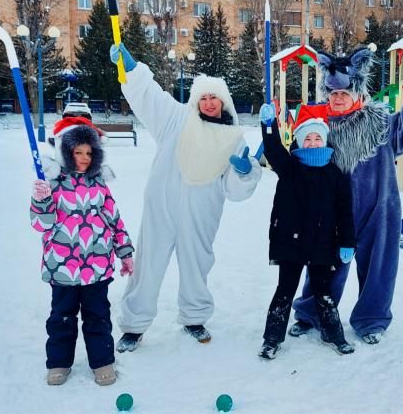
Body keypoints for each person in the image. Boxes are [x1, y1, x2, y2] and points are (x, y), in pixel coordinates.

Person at [290, 48, 403, 344]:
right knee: (324, 265)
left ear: (357, 92)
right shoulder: (318, 127)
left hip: (378, 207)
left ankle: (371, 319)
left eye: (344, 93)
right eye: (333, 93)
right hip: (331, 212)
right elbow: (297, 161)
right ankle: (311, 313)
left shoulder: (379, 123)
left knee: (379, 266)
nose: (338, 98)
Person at [108, 43, 262, 351]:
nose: (208, 103)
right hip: (161, 205)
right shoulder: (177, 119)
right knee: (148, 263)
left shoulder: (234, 139)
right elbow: (150, 97)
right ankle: (134, 325)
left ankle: (194, 317)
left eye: (213, 98)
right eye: (203, 97)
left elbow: (233, 191)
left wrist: (245, 173)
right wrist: (133, 70)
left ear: (224, 102)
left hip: (201, 212)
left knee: (197, 264)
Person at [30, 116, 134, 386]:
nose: (84, 158)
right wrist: (41, 201)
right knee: (62, 318)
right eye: (78, 152)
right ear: (66, 151)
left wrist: (125, 253)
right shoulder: (51, 184)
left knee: (98, 317)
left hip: (97, 266)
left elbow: (114, 219)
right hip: (62, 267)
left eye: (89, 152)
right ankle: (59, 363)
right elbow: (41, 225)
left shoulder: (99, 184)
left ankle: (102, 362)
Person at [257, 104, 356, 359]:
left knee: (324, 293)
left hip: (323, 244)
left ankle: (334, 335)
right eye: (307, 138)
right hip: (291, 243)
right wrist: (269, 127)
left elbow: (345, 211)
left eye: (317, 138)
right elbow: (274, 150)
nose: (313, 143)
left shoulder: (335, 174)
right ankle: (271, 339)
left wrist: (347, 242)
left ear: (324, 140)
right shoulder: (290, 168)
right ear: (300, 141)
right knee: (284, 291)